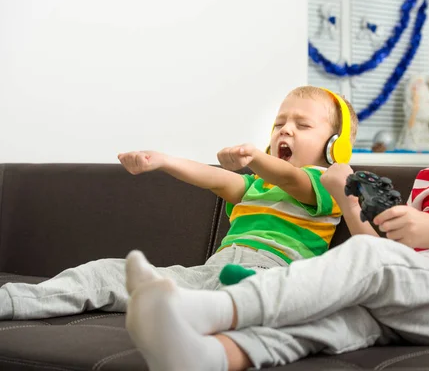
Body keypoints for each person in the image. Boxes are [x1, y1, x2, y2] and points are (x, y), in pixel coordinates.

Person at [123, 32, 429, 371]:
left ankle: (203, 309)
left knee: (370, 262)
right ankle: (209, 356)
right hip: (418, 295)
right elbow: (389, 259)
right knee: (336, 321)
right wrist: (344, 197)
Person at [0, 85, 358, 321]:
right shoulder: (255, 187)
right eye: (280, 122)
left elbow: (290, 178)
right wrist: (163, 161)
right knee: (104, 272)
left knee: (250, 297)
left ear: (335, 146)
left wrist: (253, 156)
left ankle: (212, 312)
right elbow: (214, 177)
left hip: (273, 277)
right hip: (213, 272)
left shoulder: (330, 182)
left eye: (302, 125)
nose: (285, 130)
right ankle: (13, 301)